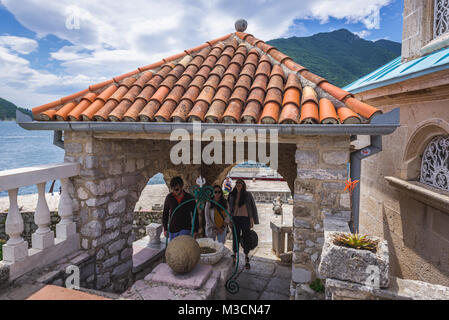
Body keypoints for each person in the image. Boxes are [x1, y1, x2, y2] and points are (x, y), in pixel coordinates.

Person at [227, 178, 259, 269]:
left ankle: (246, 257)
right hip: (235, 219)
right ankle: (235, 255)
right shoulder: (231, 194)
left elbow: (252, 207)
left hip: (245, 219)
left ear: (243, 184)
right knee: (235, 237)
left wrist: (252, 219)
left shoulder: (247, 195)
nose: (238, 184)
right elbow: (228, 208)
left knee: (246, 238)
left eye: (240, 183)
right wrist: (229, 220)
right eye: (237, 183)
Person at [162, 176, 198, 241]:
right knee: (174, 249)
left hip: (185, 229)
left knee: (183, 249)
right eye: (172, 189)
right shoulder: (169, 197)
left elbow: (195, 214)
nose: (174, 192)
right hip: (173, 230)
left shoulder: (189, 198)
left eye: (176, 189)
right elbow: (165, 213)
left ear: (182, 187)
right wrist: (165, 229)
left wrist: (195, 230)